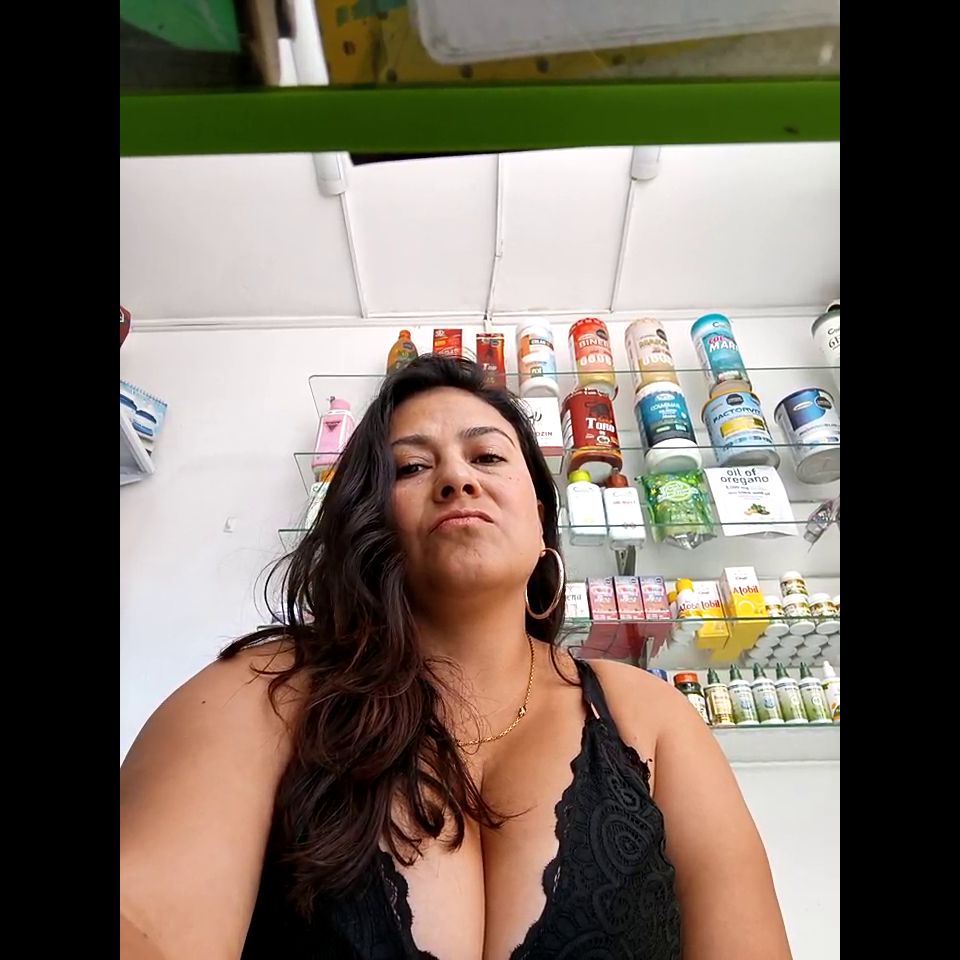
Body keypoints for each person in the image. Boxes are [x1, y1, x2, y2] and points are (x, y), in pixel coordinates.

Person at [120, 355, 792, 959]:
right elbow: (142, 917)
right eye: (412, 467)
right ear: (369, 517)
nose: (456, 479)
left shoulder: (651, 717)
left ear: (540, 518)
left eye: (488, 457)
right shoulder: (265, 691)